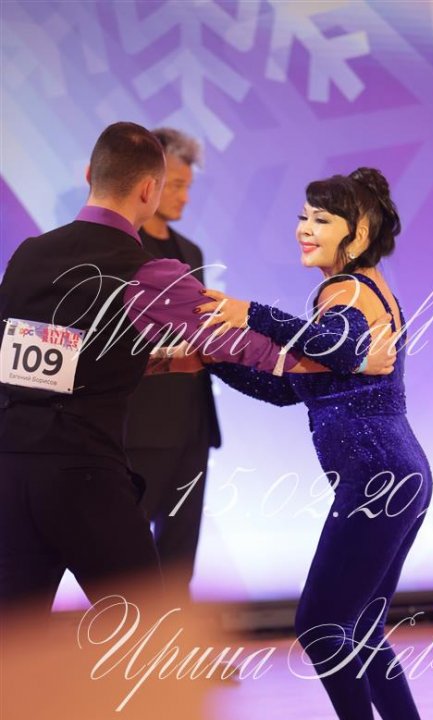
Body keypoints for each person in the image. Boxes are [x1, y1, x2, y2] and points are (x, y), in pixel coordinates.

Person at [0, 124, 395, 615]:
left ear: (89, 177)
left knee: (12, 638)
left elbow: (54, 357)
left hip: (11, 471)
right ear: (149, 189)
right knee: (146, 631)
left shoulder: (27, 256)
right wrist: (349, 359)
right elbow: (243, 346)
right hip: (85, 478)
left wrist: (160, 363)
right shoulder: (147, 272)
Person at [198, 168, 433, 720]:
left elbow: (336, 346)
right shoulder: (350, 292)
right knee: (359, 628)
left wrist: (249, 313)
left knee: (319, 624)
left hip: (380, 478)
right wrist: (211, 356)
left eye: (320, 219)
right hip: (394, 474)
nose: (304, 229)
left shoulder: (348, 292)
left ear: (358, 232)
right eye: (303, 216)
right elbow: (291, 387)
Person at [125, 128, 220, 600]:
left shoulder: (191, 251)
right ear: (150, 183)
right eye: (176, 185)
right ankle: (129, 639)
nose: (184, 196)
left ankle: (175, 641)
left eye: (188, 186)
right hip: (141, 428)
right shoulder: (123, 249)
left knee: (181, 552)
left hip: (192, 426)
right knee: (130, 554)